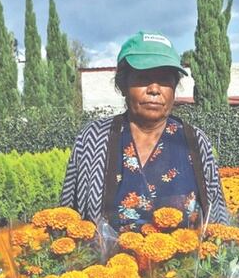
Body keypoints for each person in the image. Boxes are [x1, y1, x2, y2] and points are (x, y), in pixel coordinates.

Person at [60, 31, 229, 231]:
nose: (154, 89)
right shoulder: (95, 138)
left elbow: (217, 222)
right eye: (143, 77)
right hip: (108, 262)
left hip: (183, 261)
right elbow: (68, 217)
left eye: (165, 80)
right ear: (123, 85)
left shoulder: (194, 142)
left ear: (174, 88)